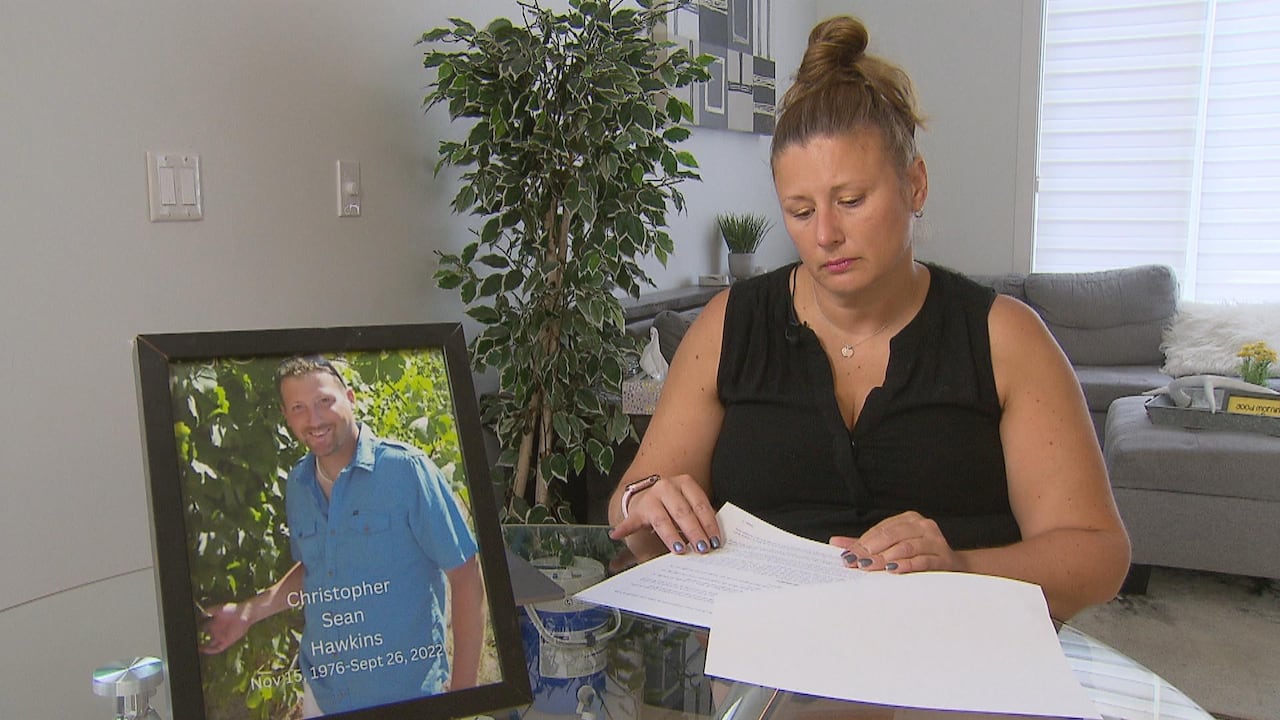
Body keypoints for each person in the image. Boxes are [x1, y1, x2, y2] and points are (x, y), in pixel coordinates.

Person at [608, 15, 1130, 621]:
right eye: (800, 212)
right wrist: (645, 504)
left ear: (915, 184)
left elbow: (1098, 557)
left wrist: (958, 567)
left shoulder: (1003, 337)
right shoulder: (730, 327)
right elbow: (630, 508)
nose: (826, 235)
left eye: (851, 201)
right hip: (771, 663)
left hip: (957, 656)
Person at [200, 355, 484, 716]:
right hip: (325, 693)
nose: (314, 419)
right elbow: (316, 568)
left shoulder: (406, 471)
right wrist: (247, 613)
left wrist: (462, 699)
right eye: (299, 408)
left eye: (324, 401)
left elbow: (465, 575)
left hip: (403, 695)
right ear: (287, 417)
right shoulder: (299, 485)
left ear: (349, 398)